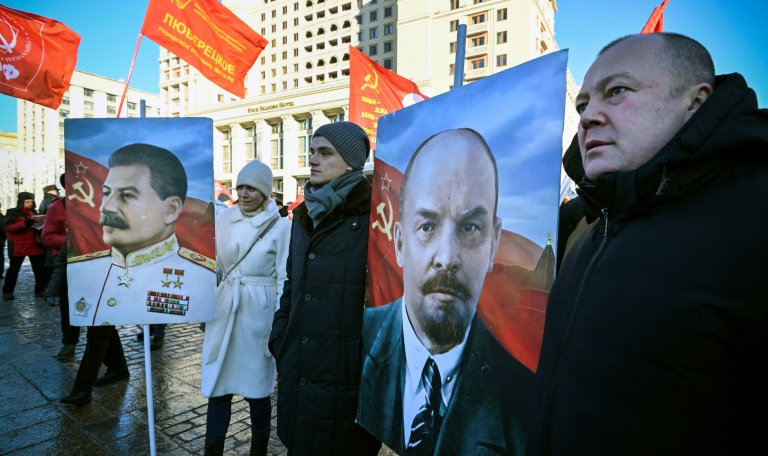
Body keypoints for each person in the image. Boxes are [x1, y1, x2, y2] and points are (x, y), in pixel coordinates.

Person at [527, 32, 768, 455]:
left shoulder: (756, 216)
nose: (587, 118)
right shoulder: (584, 223)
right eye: (582, 105)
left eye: (617, 92)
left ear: (695, 101)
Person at [358, 128, 534, 455]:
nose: (447, 258)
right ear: (398, 242)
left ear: (494, 243)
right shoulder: (362, 337)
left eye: (469, 227)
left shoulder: (521, 398)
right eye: (427, 226)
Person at [268, 121, 381, 455]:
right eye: (312, 151)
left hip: (345, 382)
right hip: (298, 369)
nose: (312, 159)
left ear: (351, 162)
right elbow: (292, 282)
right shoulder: (303, 216)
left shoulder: (375, 218)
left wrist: (359, 362)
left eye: (324, 153)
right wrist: (281, 336)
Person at [67, 143, 216, 326]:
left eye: (127, 195)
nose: (106, 207)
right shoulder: (81, 269)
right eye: (106, 193)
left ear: (171, 209)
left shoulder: (201, 275)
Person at [201, 160, 290, 456]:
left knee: (257, 390)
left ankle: (259, 450)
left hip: (258, 313)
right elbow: (210, 263)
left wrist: (277, 321)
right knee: (218, 386)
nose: (244, 193)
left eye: (251, 187)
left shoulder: (281, 226)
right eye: (240, 186)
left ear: (265, 192)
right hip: (225, 307)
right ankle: (212, 450)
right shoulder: (223, 218)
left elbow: (284, 277)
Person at [54, 238, 130, 406]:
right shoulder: (79, 225)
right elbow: (62, 260)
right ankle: (118, 369)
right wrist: (54, 288)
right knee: (105, 328)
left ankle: (82, 388)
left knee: (98, 333)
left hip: (113, 286)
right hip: (87, 287)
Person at [42, 174, 80, 361]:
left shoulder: (94, 205)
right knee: (67, 306)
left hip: (93, 262)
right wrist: (71, 242)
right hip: (66, 264)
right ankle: (69, 343)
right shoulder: (56, 207)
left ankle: (108, 352)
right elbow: (47, 237)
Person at [2, 192, 45, 300]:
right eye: (27, 202)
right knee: (14, 270)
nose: (30, 203)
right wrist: (25, 223)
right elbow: (9, 228)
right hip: (18, 246)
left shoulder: (35, 212)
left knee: (39, 269)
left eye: (31, 201)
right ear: (21, 202)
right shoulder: (13, 213)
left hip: (34, 245)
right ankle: (8, 291)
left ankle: (40, 290)